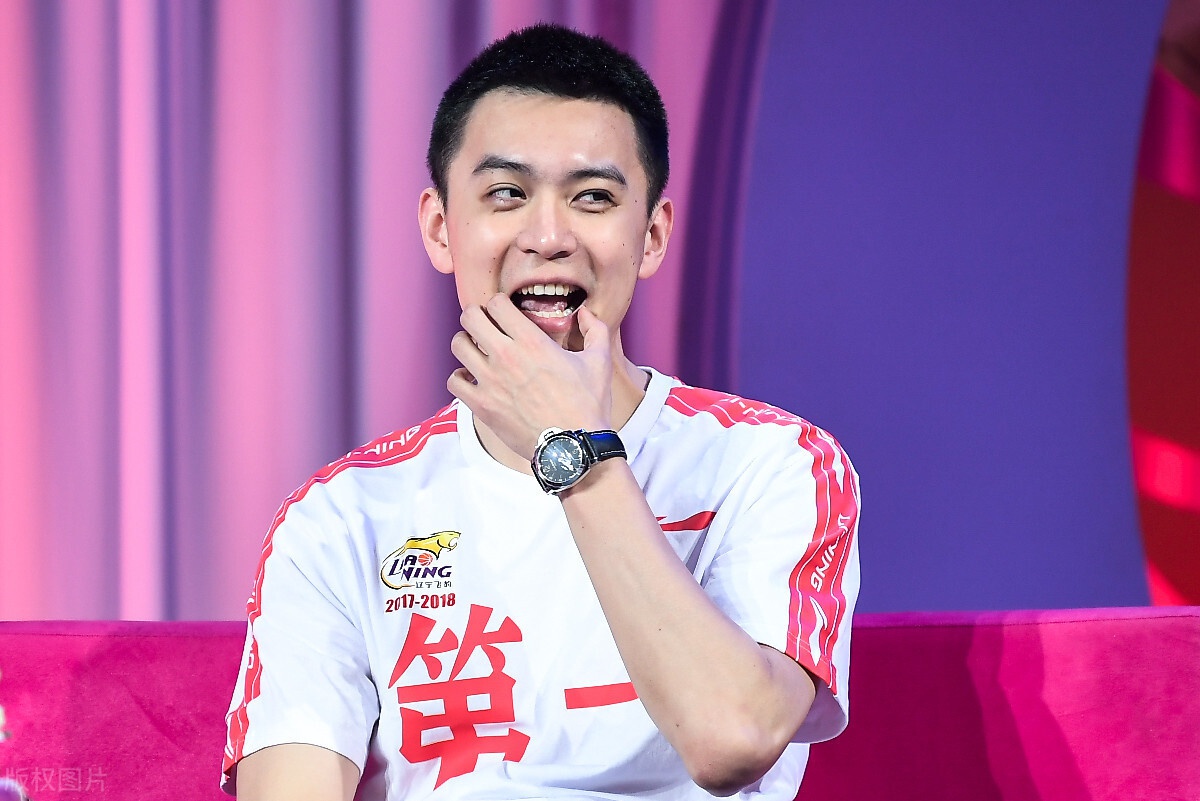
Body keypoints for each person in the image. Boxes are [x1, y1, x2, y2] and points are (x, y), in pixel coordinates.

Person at [222, 23, 859, 801]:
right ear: (440, 229)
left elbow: (732, 737)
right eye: (507, 194)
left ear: (652, 236)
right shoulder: (340, 517)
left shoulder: (771, 463)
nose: (549, 237)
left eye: (593, 198)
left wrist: (573, 446)